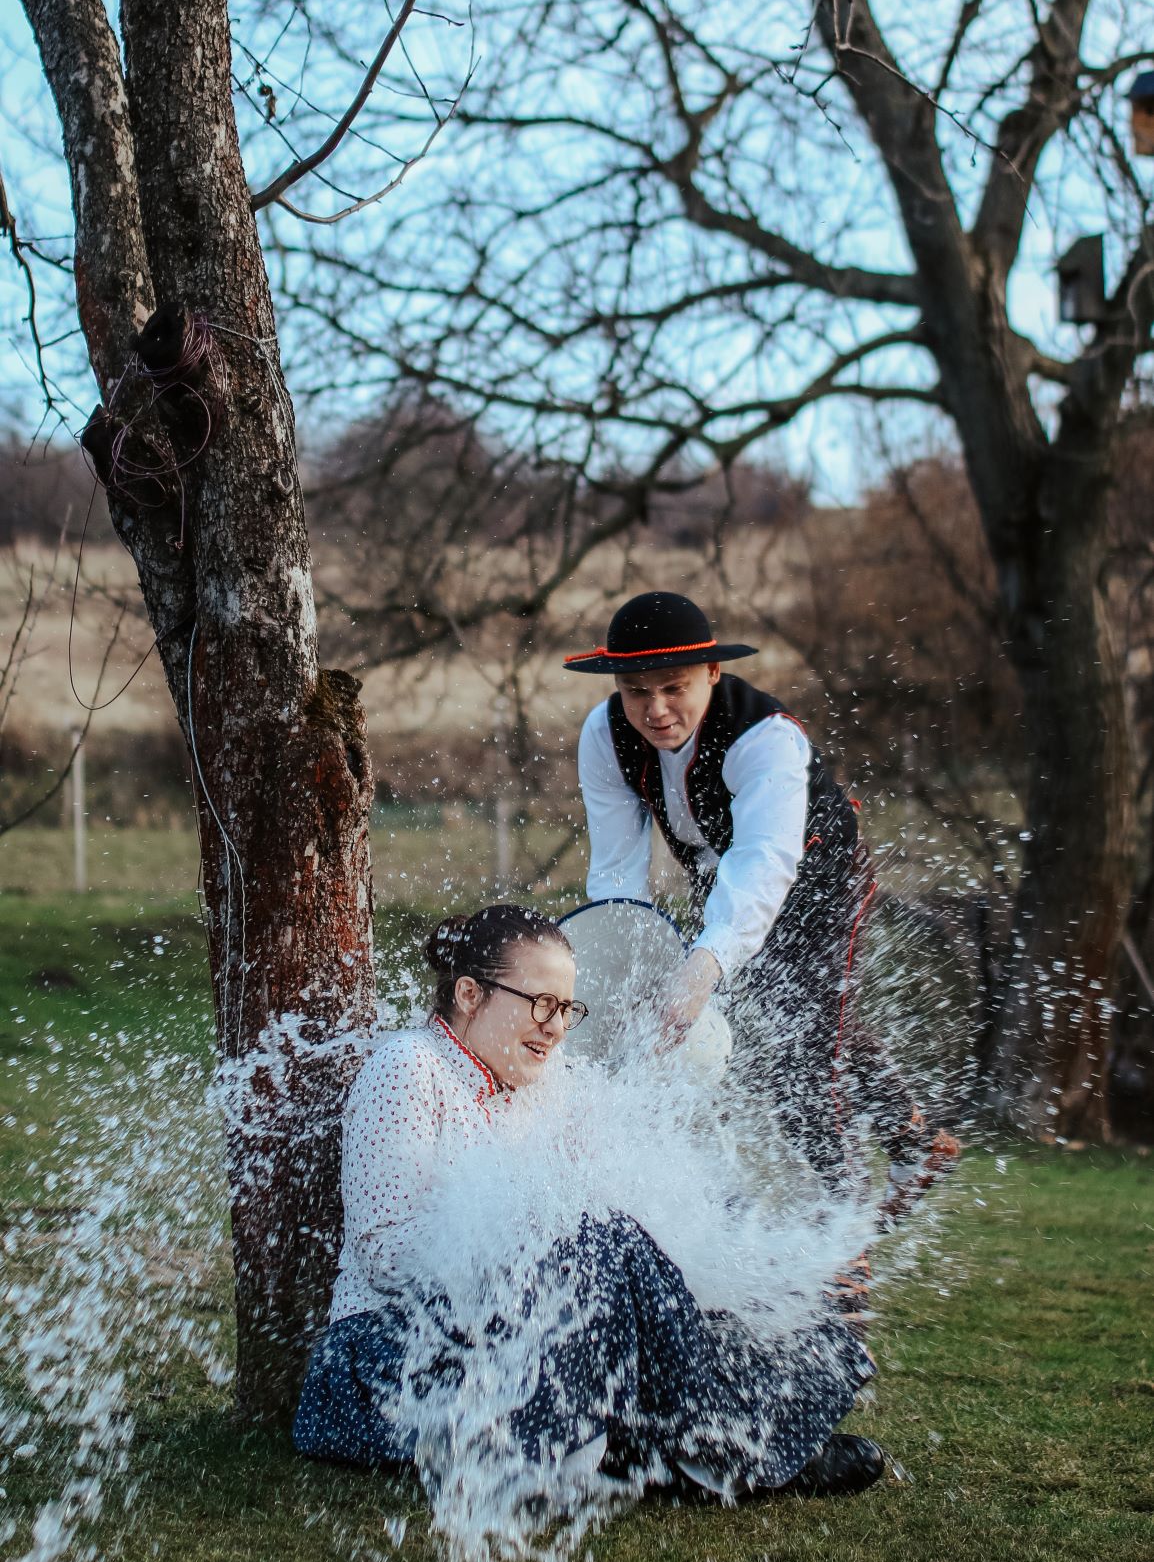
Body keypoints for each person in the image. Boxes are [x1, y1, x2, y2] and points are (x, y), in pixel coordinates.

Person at [293, 902, 883, 1499]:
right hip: (391, 1361)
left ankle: (711, 1442)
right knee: (604, 1242)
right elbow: (385, 1259)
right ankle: (723, 1448)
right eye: (541, 1003)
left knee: (638, 1260)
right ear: (470, 994)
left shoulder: (545, 1086)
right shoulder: (407, 1068)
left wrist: (763, 1259)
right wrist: (524, 1240)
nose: (555, 1027)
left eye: (567, 1010)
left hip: (503, 1353)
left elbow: (641, 1208)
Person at [567, 590, 958, 1214]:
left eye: (673, 688)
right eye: (636, 691)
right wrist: (623, 967)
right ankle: (916, 1144)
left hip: (819, 876)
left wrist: (701, 969)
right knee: (800, 1021)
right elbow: (617, 872)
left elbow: (764, 864)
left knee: (794, 1046)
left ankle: (842, 1232)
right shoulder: (604, 734)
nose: (656, 709)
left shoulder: (764, 736)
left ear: (711, 672)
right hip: (719, 877)